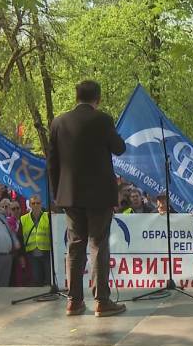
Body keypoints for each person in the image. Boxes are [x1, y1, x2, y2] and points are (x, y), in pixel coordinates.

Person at [48, 80, 127, 317]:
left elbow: (52, 162)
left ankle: (74, 301)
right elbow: (119, 148)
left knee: (75, 246)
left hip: (69, 195)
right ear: (98, 99)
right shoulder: (102, 119)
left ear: (76, 96)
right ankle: (102, 301)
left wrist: (57, 194)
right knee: (98, 245)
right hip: (99, 196)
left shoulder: (58, 122)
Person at [20, 194, 52, 286]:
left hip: (47, 252)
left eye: (38, 203)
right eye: (33, 203)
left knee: (48, 279)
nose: (36, 205)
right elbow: (20, 238)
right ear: (29, 205)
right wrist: (21, 255)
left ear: (41, 204)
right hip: (32, 254)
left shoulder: (48, 216)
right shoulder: (23, 218)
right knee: (37, 279)